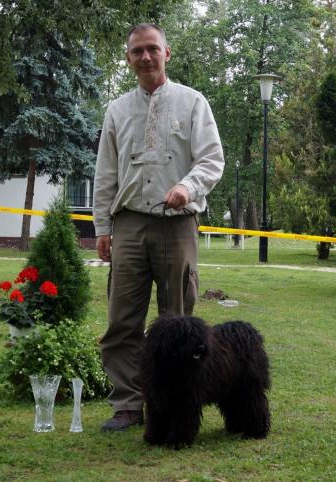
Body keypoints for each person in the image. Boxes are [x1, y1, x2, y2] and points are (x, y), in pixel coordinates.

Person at [93, 23, 224, 432]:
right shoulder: (116, 110)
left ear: (167, 53)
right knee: (121, 321)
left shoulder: (193, 103)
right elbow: (105, 174)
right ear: (128, 58)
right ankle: (128, 404)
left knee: (179, 323)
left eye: (153, 49)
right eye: (137, 51)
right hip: (129, 225)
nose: (146, 57)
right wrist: (102, 226)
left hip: (177, 225)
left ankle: (177, 404)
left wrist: (188, 186)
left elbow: (212, 160)